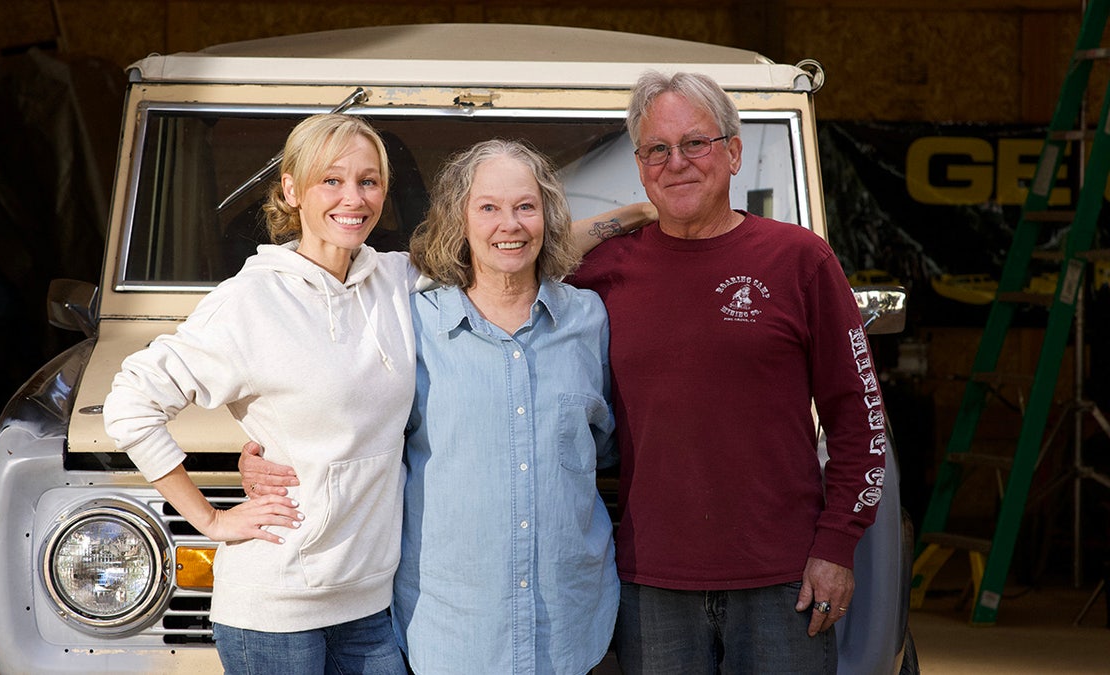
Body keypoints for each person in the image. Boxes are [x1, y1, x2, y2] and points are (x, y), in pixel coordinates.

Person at [242, 139, 643, 673]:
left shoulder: (589, 319)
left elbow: (612, 445)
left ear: (547, 215)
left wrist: (646, 210)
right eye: (488, 208)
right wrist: (261, 450)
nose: (510, 224)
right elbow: (339, 408)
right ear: (459, 218)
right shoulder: (408, 321)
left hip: (571, 629)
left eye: (526, 207)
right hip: (448, 632)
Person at [566, 71, 887, 673]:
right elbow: (504, 253)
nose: (676, 162)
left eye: (696, 143)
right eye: (656, 150)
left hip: (785, 582)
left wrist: (837, 546)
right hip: (651, 583)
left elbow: (860, 419)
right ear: (639, 166)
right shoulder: (606, 271)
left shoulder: (800, 260)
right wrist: (633, 215)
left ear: (734, 153)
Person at [103, 113, 416, 674]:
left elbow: (508, 248)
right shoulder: (249, 302)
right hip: (274, 608)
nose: (354, 197)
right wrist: (211, 520)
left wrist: (631, 216)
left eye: (368, 181)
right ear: (291, 189)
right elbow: (130, 403)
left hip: (370, 603)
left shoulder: (398, 281)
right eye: (332, 180)